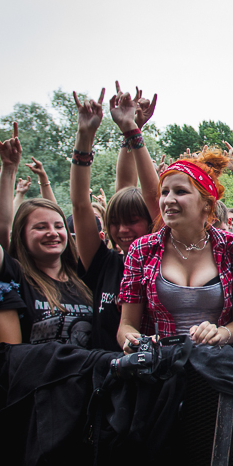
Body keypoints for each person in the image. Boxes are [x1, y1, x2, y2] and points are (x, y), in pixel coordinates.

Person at [117, 149, 233, 352]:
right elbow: (126, 324)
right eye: (164, 192)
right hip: (162, 371)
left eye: (180, 192)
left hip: (218, 369)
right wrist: (133, 341)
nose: (168, 200)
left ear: (207, 203)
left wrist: (220, 334)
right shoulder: (142, 249)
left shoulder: (231, 247)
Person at [0, 141, 94, 345]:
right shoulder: (16, 276)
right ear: (21, 235)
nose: (52, 233)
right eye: (41, 227)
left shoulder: (83, 273)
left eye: (58, 226)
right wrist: (1, 170)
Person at [70, 88, 158, 351]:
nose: (122, 230)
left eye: (132, 221)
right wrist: (85, 136)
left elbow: (129, 186)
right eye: (115, 223)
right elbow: (79, 205)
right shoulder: (103, 263)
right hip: (106, 382)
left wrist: (132, 129)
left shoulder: (166, 260)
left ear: (152, 221)